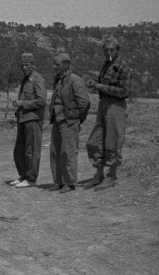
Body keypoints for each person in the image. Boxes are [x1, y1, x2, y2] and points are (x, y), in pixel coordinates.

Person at [84, 37, 132, 191]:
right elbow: (104, 85)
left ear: (118, 50)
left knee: (112, 143)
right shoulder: (106, 65)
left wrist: (100, 86)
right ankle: (99, 174)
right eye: (106, 50)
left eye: (112, 50)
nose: (109, 52)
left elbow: (124, 92)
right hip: (104, 105)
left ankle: (112, 176)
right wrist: (95, 85)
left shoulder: (123, 68)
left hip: (116, 107)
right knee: (94, 142)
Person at [48, 53, 91, 194]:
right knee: (55, 151)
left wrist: (77, 119)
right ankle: (58, 181)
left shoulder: (75, 81)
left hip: (69, 120)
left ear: (66, 65)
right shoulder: (58, 80)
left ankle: (69, 182)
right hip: (57, 119)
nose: (54, 67)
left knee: (68, 152)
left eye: (57, 64)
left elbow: (84, 103)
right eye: (54, 64)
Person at [9, 53, 47, 188]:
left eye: (27, 65)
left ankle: (31, 178)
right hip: (23, 119)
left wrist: (22, 104)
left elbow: (42, 101)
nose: (24, 67)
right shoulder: (26, 80)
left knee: (31, 150)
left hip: (33, 120)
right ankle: (23, 175)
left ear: (33, 65)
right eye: (22, 65)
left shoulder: (37, 79)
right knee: (19, 150)